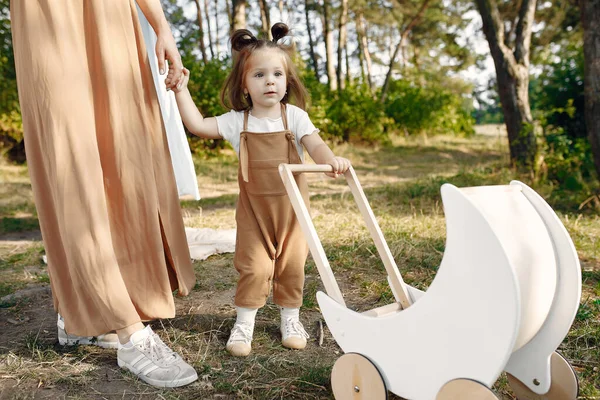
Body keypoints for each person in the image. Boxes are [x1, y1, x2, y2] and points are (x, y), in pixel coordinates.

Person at [11, 0, 198, 388]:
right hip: (47, 12)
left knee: (123, 152)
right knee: (69, 151)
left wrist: (160, 24)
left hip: (111, 12)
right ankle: (127, 330)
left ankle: (85, 313)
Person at [172, 23, 351, 357]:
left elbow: (316, 145)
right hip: (254, 212)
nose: (270, 81)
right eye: (259, 75)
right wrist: (181, 89)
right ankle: (244, 322)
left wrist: (332, 162)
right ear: (244, 84)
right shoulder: (236, 122)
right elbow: (197, 125)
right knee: (254, 266)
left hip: (293, 212)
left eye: (277, 74)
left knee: (292, 265)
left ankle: (290, 318)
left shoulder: (293, 117)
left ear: (287, 81)